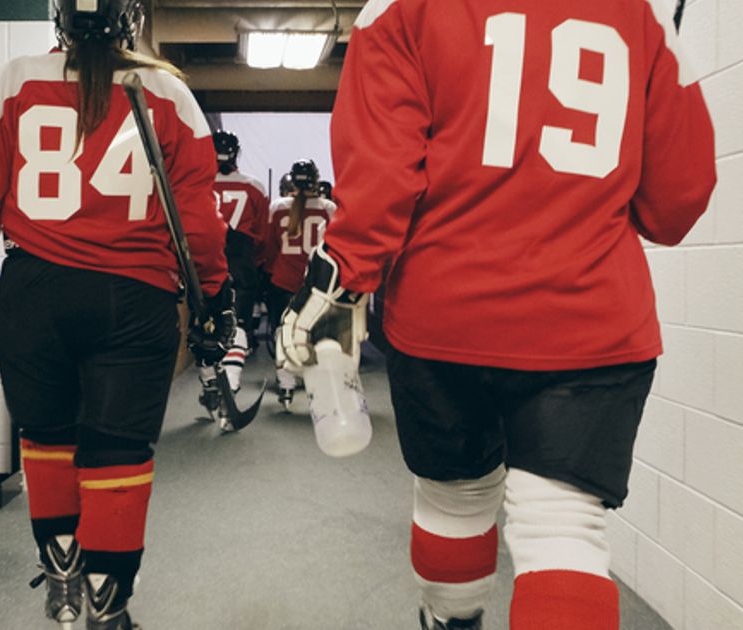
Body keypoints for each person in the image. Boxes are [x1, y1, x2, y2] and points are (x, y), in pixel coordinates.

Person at [278, 0, 716, 628]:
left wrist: (339, 281)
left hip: (443, 315)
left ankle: (451, 619)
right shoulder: (642, 13)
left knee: (455, 498)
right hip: (589, 318)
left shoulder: (398, 9)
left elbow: (382, 180)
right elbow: (679, 200)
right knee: (562, 526)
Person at [0, 1, 234, 628]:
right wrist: (215, 298)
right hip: (133, 298)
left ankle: (61, 581)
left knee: (48, 438)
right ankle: (108, 610)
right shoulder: (168, 90)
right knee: (118, 452)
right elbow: (199, 222)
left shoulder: (14, 78)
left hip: (36, 294)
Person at [197, 130, 270, 427]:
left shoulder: (197, 184)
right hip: (240, 259)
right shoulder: (253, 187)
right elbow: (263, 236)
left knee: (203, 326)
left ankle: (210, 384)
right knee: (237, 322)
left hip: (204, 257)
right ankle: (232, 382)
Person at [264, 159, 336, 412]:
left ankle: (285, 385)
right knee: (316, 335)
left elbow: (269, 247)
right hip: (317, 282)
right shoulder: (329, 208)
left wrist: (271, 272)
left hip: (283, 279)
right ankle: (317, 386)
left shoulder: (277, 207)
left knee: (283, 332)